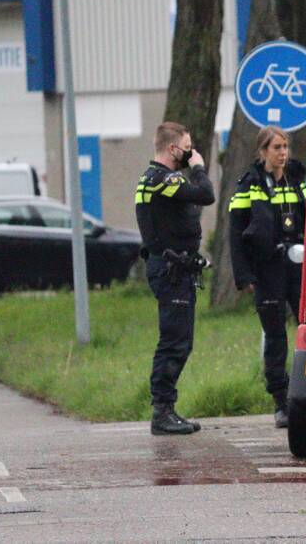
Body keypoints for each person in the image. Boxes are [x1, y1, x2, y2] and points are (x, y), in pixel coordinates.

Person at [135, 121, 215, 435]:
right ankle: (162, 412)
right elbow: (206, 194)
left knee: (180, 341)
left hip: (175, 268)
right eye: (187, 146)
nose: (191, 152)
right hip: (170, 271)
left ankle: (167, 409)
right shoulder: (162, 178)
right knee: (174, 342)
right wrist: (199, 168)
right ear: (172, 149)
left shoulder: (157, 180)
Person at [229, 127, 306, 429]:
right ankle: (281, 399)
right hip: (267, 268)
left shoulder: (297, 179)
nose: (283, 152)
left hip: (299, 264)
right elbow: (235, 233)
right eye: (276, 147)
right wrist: (243, 274)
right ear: (263, 151)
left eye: (286, 146)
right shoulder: (249, 185)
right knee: (275, 336)